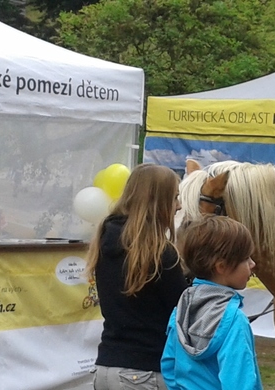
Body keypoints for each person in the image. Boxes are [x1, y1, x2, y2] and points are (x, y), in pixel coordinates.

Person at [87, 163, 188, 390]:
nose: (179, 206)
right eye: (174, 198)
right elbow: (183, 310)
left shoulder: (104, 240)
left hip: (106, 368)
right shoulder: (159, 252)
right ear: (157, 201)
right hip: (144, 371)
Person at [161, 215, 261, 390]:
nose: (252, 263)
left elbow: (169, 366)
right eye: (246, 258)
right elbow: (240, 384)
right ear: (221, 266)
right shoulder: (235, 321)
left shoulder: (182, 310)